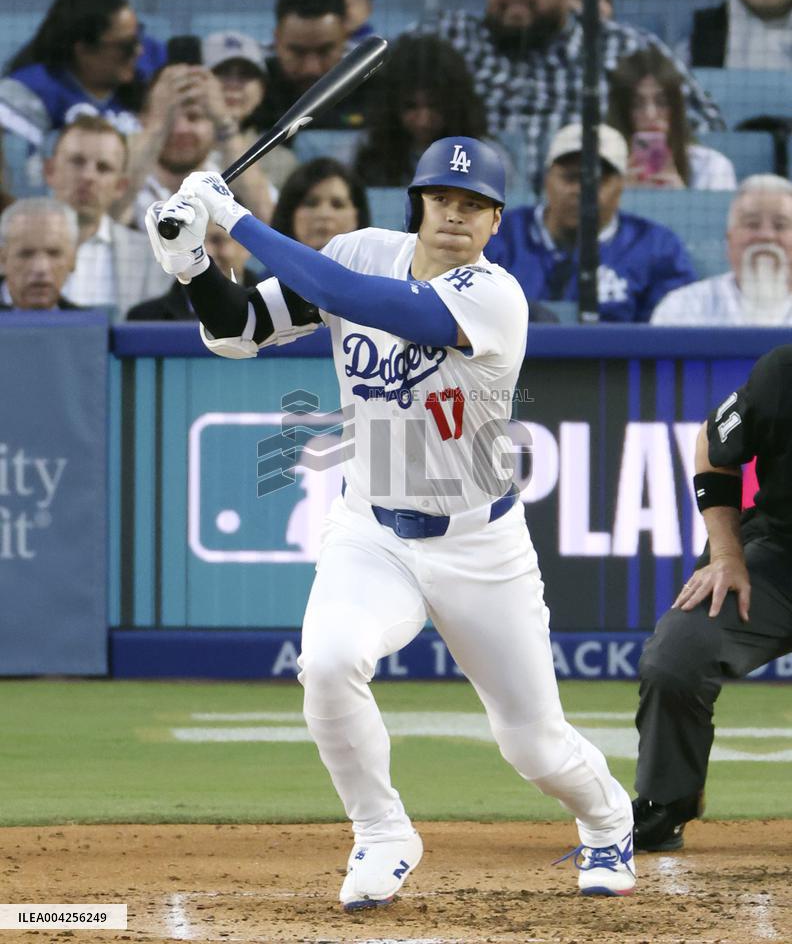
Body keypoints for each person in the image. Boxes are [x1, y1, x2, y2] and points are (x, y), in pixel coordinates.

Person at [143, 136, 638, 906]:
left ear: (497, 220)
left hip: (481, 542)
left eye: (474, 205)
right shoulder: (360, 251)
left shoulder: (494, 295)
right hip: (372, 530)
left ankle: (608, 822)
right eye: (443, 199)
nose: (455, 216)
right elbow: (238, 332)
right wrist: (192, 266)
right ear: (419, 203)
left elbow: (365, 304)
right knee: (331, 661)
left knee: (533, 745)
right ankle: (381, 831)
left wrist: (233, 218)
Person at [632, 344, 792, 851]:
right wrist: (726, 553)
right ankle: (668, 800)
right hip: (780, 557)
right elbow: (713, 441)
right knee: (678, 653)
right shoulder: (784, 374)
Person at [416, 0, 724, 193]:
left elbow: (704, 123)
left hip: (590, 217)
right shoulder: (450, 37)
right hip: (472, 208)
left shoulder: (624, 47)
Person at [485, 123, 699, 321]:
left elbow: (669, 333)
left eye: (596, 180)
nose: (580, 190)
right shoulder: (497, 236)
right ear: (547, 180)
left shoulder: (657, 248)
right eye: (570, 177)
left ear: (621, 186)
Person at [44, 114, 170, 318]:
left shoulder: (153, 259)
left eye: (103, 168)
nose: (88, 176)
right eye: (77, 162)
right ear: (49, 170)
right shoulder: (8, 247)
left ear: (120, 186)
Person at [0, 0, 146, 152]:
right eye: (126, 46)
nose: (139, 51)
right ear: (83, 50)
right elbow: (11, 172)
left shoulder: (139, 90)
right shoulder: (28, 91)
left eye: (138, 38)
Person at [129, 64, 274, 230]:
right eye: (168, 118)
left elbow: (271, 222)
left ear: (214, 124)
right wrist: (155, 127)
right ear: (142, 119)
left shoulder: (231, 179)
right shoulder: (116, 174)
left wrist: (225, 123)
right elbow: (112, 211)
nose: (180, 129)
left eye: (194, 117)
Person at [650, 175, 792, 325]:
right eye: (752, 224)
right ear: (729, 239)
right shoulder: (683, 305)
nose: (766, 236)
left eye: (780, 225)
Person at [352, 35, 491, 187]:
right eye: (410, 106)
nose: (422, 120)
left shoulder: (487, 159)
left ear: (455, 104)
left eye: (434, 106)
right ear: (392, 106)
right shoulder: (362, 156)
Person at [607, 47, 737, 191]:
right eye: (637, 104)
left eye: (662, 102)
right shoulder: (602, 170)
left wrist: (680, 198)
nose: (651, 114)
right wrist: (620, 196)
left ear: (676, 108)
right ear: (623, 112)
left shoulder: (712, 167)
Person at [257, 0, 372, 134]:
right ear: (276, 40)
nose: (311, 69)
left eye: (325, 51)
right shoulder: (251, 91)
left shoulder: (375, 88)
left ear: (345, 37)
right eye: (297, 52)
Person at [203, 30, 296, 193]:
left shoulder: (281, 160)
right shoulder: (176, 148)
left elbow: (271, 217)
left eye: (245, 75)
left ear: (262, 90)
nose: (233, 84)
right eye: (222, 73)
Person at [126, 223, 256, 320]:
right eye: (194, 242)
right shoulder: (144, 320)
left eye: (217, 240)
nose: (207, 252)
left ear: (247, 245)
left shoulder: (274, 309)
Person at [269, 157, 370, 249]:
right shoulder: (271, 268)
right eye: (311, 204)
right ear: (289, 213)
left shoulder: (377, 269)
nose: (324, 214)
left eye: (337, 205)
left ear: (357, 216)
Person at [0, 198, 80, 310]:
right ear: (2, 259)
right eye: (26, 254)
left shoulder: (94, 325)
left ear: (73, 259)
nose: (41, 268)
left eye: (54, 254)